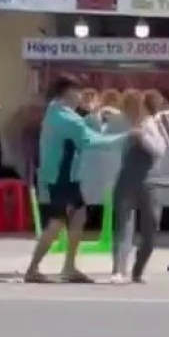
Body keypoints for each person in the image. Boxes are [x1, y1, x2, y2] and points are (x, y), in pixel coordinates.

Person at [25, 75, 126, 283]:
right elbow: (90, 140)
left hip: (68, 176)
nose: (80, 95)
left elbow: (82, 130)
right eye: (77, 91)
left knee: (78, 215)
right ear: (66, 92)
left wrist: (92, 114)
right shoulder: (64, 117)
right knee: (56, 223)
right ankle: (33, 269)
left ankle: (69, 266)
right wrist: (127, 138)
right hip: (58, 178)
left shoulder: (59, 112)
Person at [111, 90, 167, 284]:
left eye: (137, 106)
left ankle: (138, 270)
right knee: (123, 227)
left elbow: (159, 150)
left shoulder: (150, 124)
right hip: (127, 180)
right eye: (129, 106)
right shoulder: (121, 124)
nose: (133, 110)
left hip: (150, 182)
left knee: (151, 228)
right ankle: (118, 270)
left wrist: (142, 137)